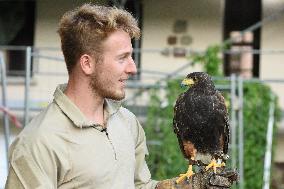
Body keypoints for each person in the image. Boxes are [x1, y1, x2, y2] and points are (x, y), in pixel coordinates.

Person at [5, 3, 236, 189]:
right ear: (87, 63)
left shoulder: (127, 122)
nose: (133, 68)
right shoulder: (38, 143)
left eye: (132, 57)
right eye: (122, 58)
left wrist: (183, 187)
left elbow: (139, 186)